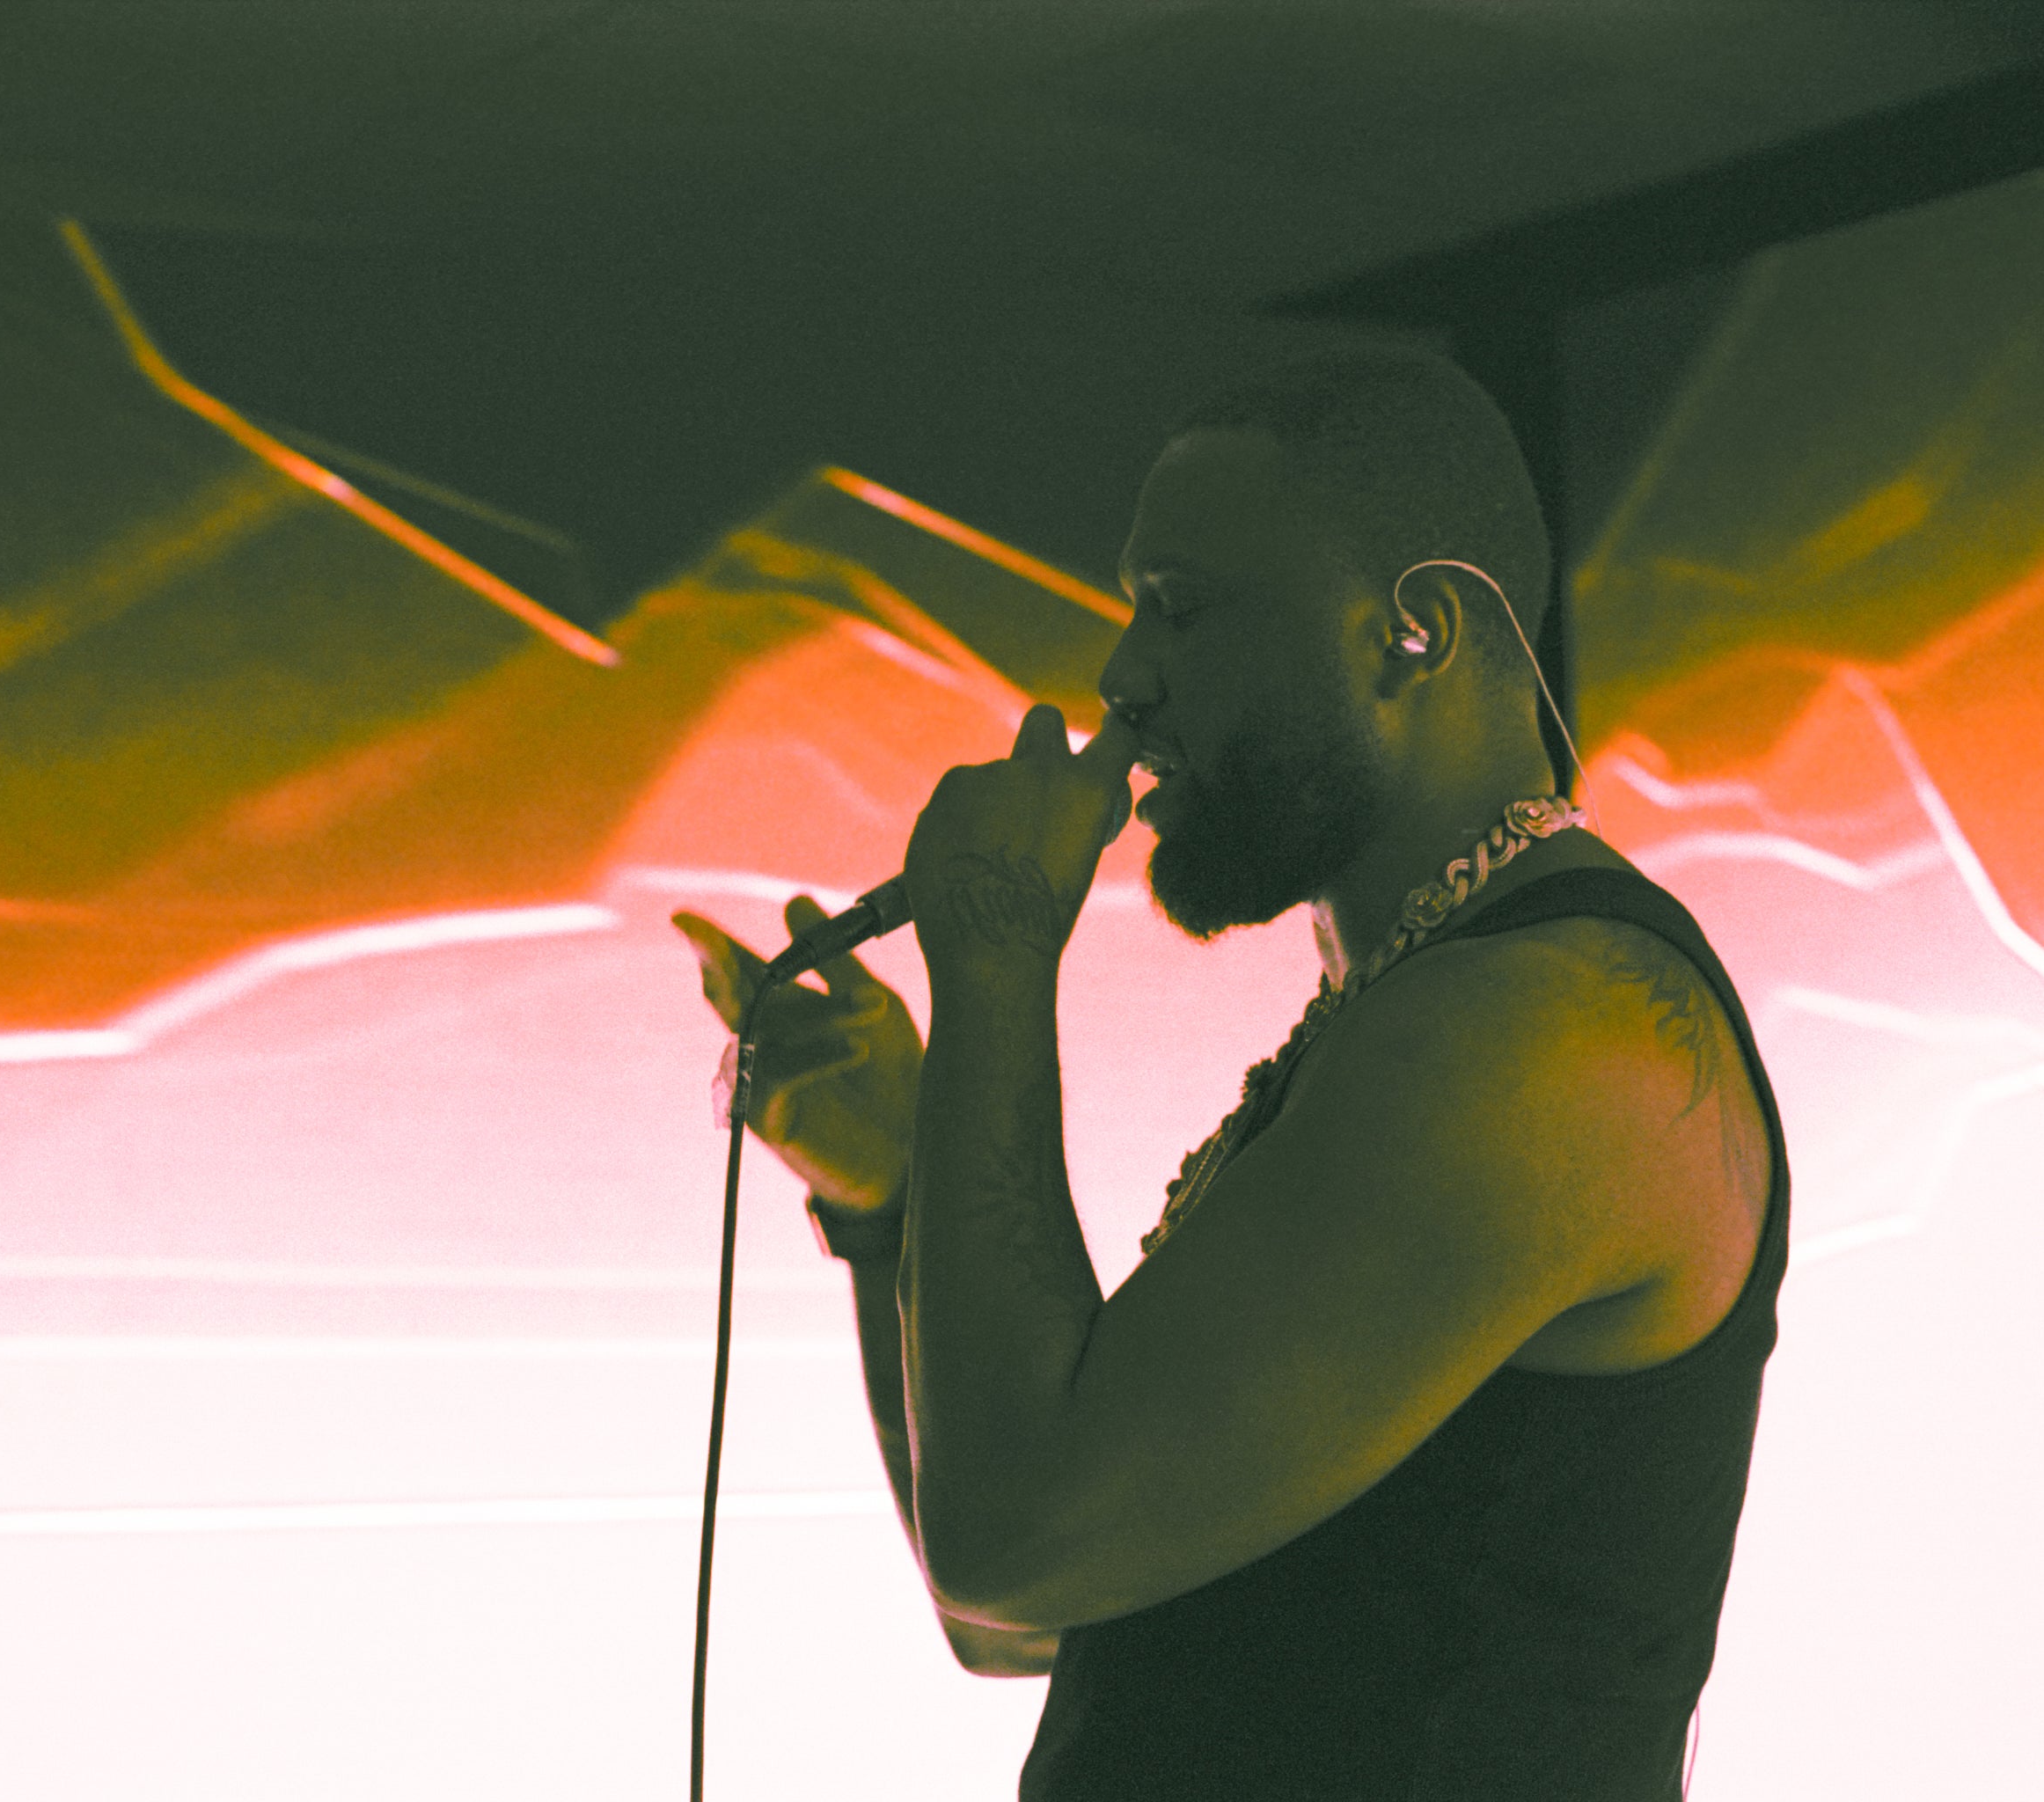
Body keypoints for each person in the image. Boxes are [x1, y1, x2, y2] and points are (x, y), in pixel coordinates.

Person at [673, 350, 1786, 1801]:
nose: (1122, 680)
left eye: (1181, 608)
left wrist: (997, 957)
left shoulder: (1547, 1033)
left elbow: (1014, 1544)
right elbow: (1029, 1621)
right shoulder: (1405, 1016)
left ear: (1416, 629)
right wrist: (896, 1194)